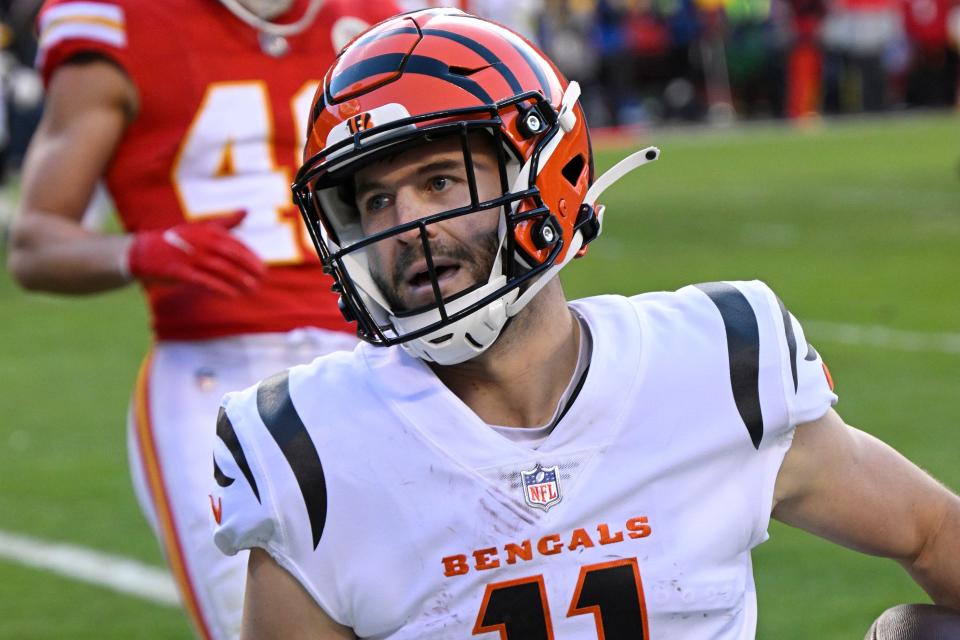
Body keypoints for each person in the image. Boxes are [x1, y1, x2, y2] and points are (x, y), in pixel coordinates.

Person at [209, 9, 960, 639]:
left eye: (441, 182)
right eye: (375, 201)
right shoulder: (313, 448)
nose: (406, 225)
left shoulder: (717, 367)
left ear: (548, 176)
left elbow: (932, 534)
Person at [5, 0, 401, 638]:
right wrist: (142, 251)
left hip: (377, 355)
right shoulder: (124, 18)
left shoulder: (377, 14)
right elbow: (34, 244)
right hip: (215, 375)